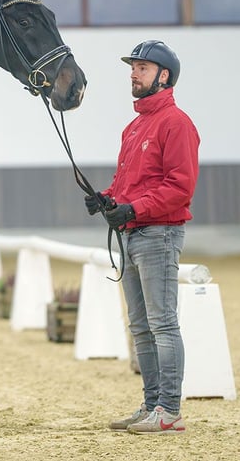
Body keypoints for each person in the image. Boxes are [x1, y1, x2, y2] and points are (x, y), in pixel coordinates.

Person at [84, 40, 200, 435]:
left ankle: (169, 410)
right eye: (133, 67)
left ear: (163, 76)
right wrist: (108, 199)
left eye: (142, 68)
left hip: (159, 234)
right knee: (140, 326)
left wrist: (133, 209)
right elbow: (129, 183)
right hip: (134, 234)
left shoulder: (176, 123)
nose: (133, 73)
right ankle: (152, 404)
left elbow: (180, 187)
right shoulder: (134, 127)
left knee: (162, 324)